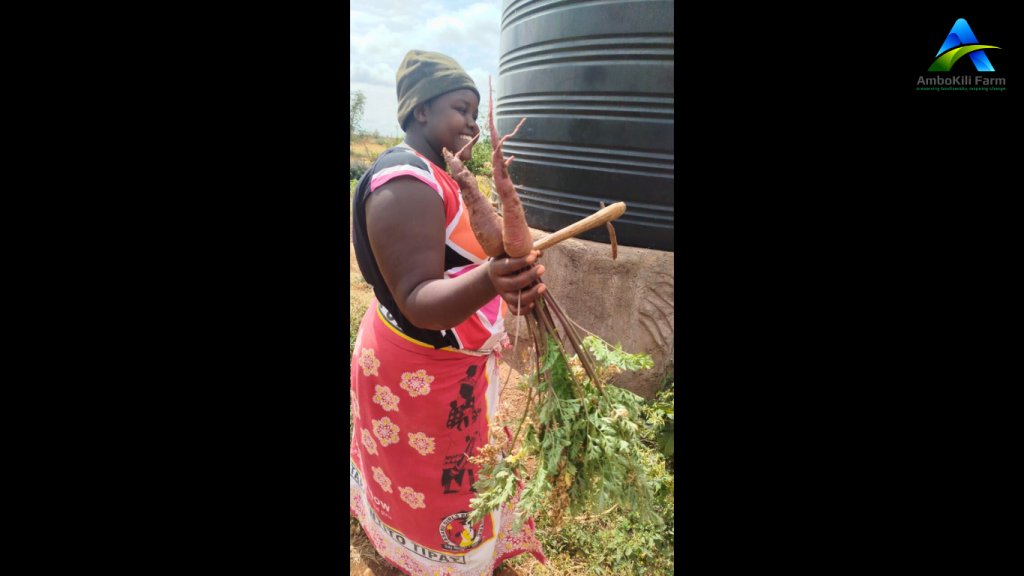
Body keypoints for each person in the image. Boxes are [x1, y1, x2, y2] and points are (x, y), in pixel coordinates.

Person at [350, 50, 548, 575]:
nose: (472, 124)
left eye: (475, 112)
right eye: (462, 108)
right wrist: (494, 278)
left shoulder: (440, 174)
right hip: (415, 365)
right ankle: (432, 556)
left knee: (451, 467)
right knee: (430, 473)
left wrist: (506, 280)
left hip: (440, 366)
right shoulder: (405, 180)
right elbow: (418, 298)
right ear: (419, 111)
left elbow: (460, 265)